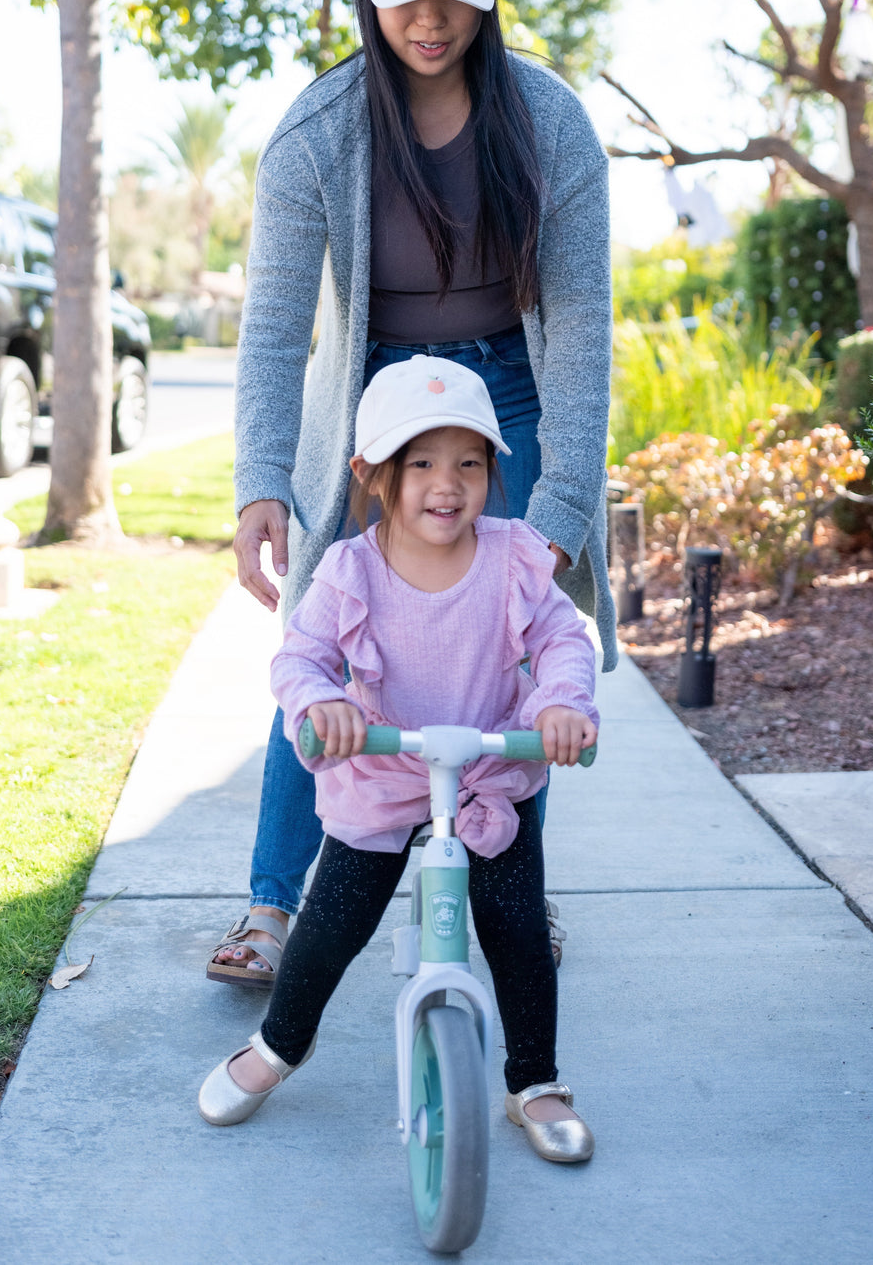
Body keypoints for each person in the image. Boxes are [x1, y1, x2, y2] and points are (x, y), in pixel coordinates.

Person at [206, 0, 615, 988]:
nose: (427, 19)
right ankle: (273, 907)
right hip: (376, 397)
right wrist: (260, 485)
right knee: (325, 634)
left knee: (523, 640)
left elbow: (580, 331)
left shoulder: (553, 128)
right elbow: (275, 330)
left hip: (510, 393)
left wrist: (565, 507)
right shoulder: (315, 133)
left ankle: (509, 905)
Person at [199, 358, 599, 1161]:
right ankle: (279, 1045)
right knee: (330, 924)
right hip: (384, 773)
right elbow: (300, 660)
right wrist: (324, 706)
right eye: (420, 461)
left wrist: (561, 703)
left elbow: (561, 638)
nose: (445, 484)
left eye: (468, 462)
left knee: (518, 927)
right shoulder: (350, 569)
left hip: (487, 772)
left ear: (491, 470)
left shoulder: (518, 556)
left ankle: (536, 1080)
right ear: (371, 472)